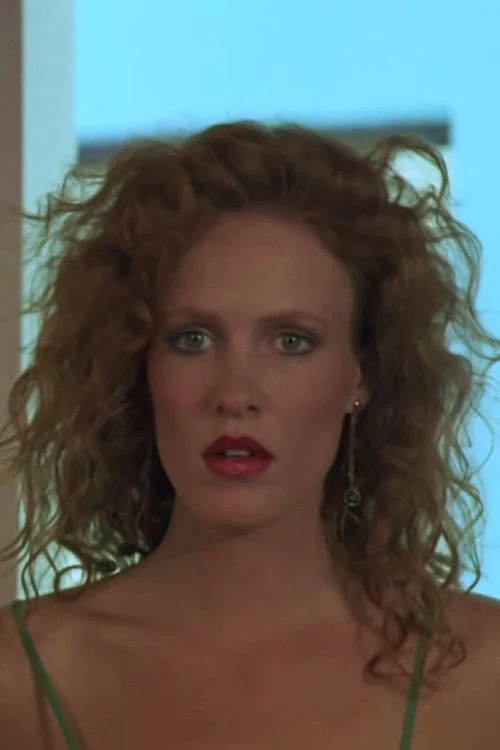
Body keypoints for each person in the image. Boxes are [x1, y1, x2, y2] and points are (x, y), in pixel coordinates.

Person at [0, 119, 499, 749]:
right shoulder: (20, 677)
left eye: (291, 342)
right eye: (192, 339)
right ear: (138, 366)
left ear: (364, 376)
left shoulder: (482, 672)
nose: (234, 395)